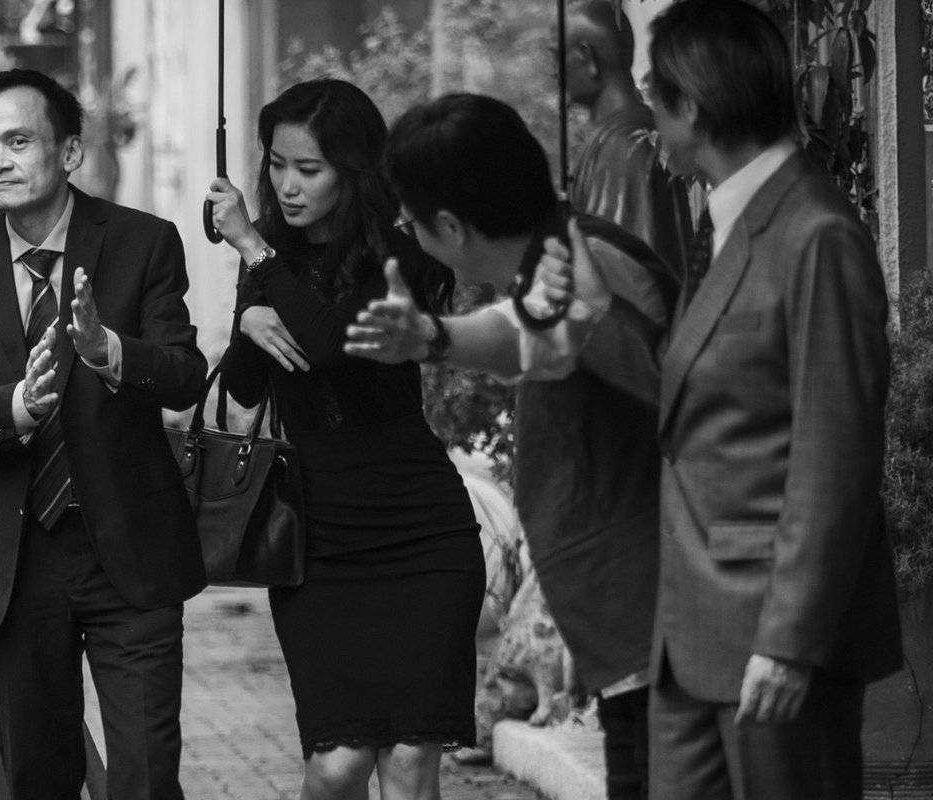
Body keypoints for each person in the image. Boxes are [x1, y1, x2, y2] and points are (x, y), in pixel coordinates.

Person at [342, 93, 676, 800]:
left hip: (658, 615)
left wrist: (433, 337)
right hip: (621, 618)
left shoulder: (589, 264)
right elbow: (532, 330)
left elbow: (545, 337)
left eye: (410, 216)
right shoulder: (558, 261)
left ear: (451, 226)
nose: (404, 228)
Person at [0, 69, 207, 800]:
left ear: (70, 151)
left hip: (130, 551)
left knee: (145, 777)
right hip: (17, 563)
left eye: (18, 141)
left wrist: (110, 352)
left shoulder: (144, 242)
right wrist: (18, 405)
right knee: (38, 779)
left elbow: (184, 374)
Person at [639, 2, 898, 795]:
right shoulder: (724, 222)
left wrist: (788, 641)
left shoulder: (815, 234)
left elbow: (837, 458)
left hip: (775, 643)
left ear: (693, 104)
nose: (647, 116)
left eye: (655, 95)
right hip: (692, 640)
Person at [202, 78, 482, 800]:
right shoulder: (268, 254)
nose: (286, 185)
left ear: (352, 171)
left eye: (309, 169)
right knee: (337, 767)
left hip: (419, 526)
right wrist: (247, 329)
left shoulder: (400, 254)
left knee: (412, 764)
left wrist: (258, 256)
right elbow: (242, 391)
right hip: (318, 534)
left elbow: (332, 344)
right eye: (275, 164)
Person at [562, 0, 698, 269]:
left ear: (586, 56)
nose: (555, 73)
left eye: (557, 56)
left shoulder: (625, 146)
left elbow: (624, 277)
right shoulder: (615, 138)